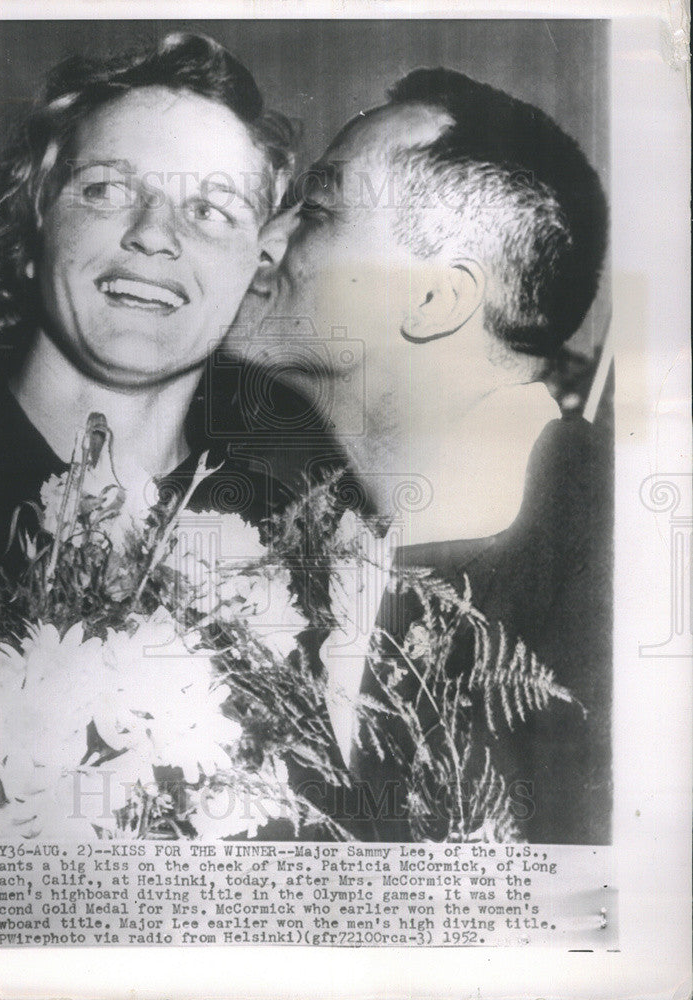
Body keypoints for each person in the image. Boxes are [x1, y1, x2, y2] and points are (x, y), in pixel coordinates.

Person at [230, 68, 612, 843]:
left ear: (436, 299)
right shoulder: (250, 527)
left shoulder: (624, 563)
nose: (261, 238)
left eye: (320, 210)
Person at [0, 32, 297, 580]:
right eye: (106, 190)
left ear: (255, 270)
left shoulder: (291, 544)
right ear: (30, 228)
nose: (154, 234)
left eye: (211, 210)